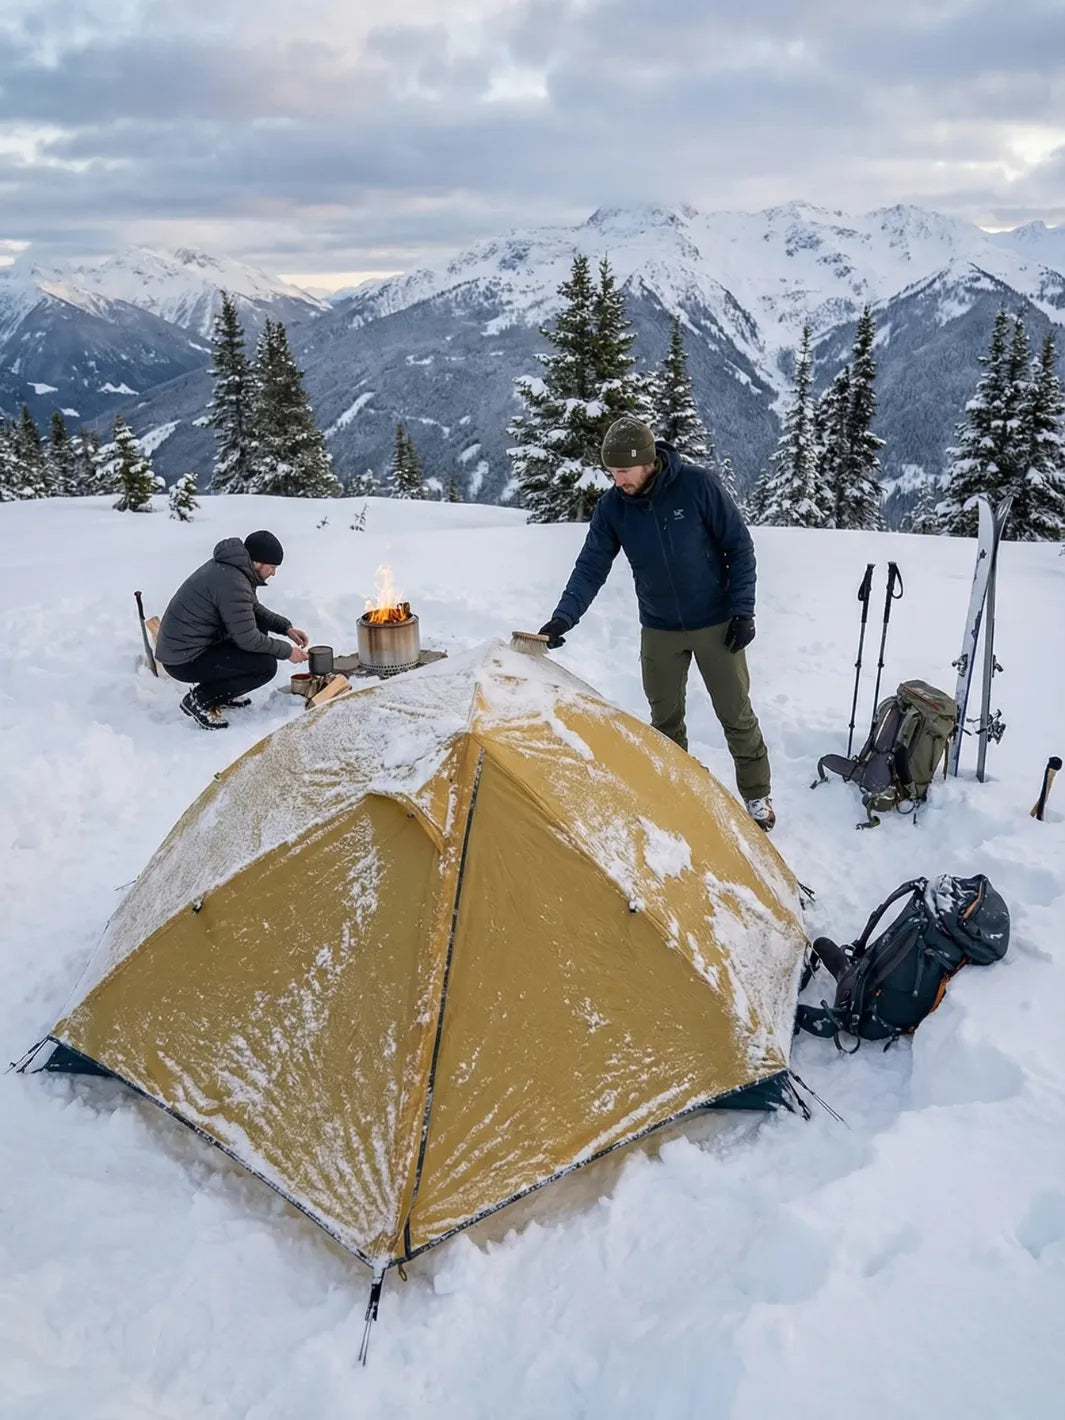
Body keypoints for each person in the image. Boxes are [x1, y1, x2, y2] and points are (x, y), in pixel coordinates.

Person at [539, 415, 775, 830]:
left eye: (623, 472)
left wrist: (743, 611)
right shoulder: (614, 507)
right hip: (659, 627)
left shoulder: (697, 487)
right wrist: (563, 618)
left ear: (648, 462)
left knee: (735, 713)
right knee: (664, 720)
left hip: (716, 623)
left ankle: (757, 796)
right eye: (611, 473)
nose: (617, 482)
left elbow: (739, 547)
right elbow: (591, 565)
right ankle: (674, 791)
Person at [156, 529, 310, 730]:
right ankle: (200, 700)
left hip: (192, 646)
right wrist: (288, 651)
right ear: (257, 562)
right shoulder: (233, 582)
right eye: (272, 567)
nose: (274, 573)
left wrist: (285, 627)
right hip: (183, 660)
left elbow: (251, 608)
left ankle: (224, 693)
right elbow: (249, 639)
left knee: (258, 629)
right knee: (265, 666)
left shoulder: (233, 570)